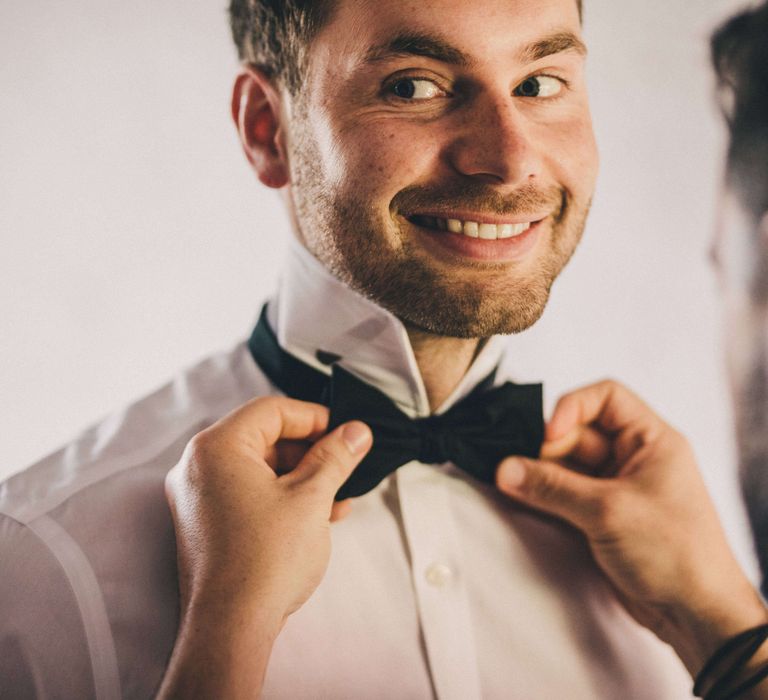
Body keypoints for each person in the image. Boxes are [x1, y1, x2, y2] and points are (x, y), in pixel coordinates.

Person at [0, 2, 755, 700]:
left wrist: (728, 625)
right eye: (415, 86)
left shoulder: (687, 566)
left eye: (537, 82)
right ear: (267, 128)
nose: (508, 159)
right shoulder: (38, 569)